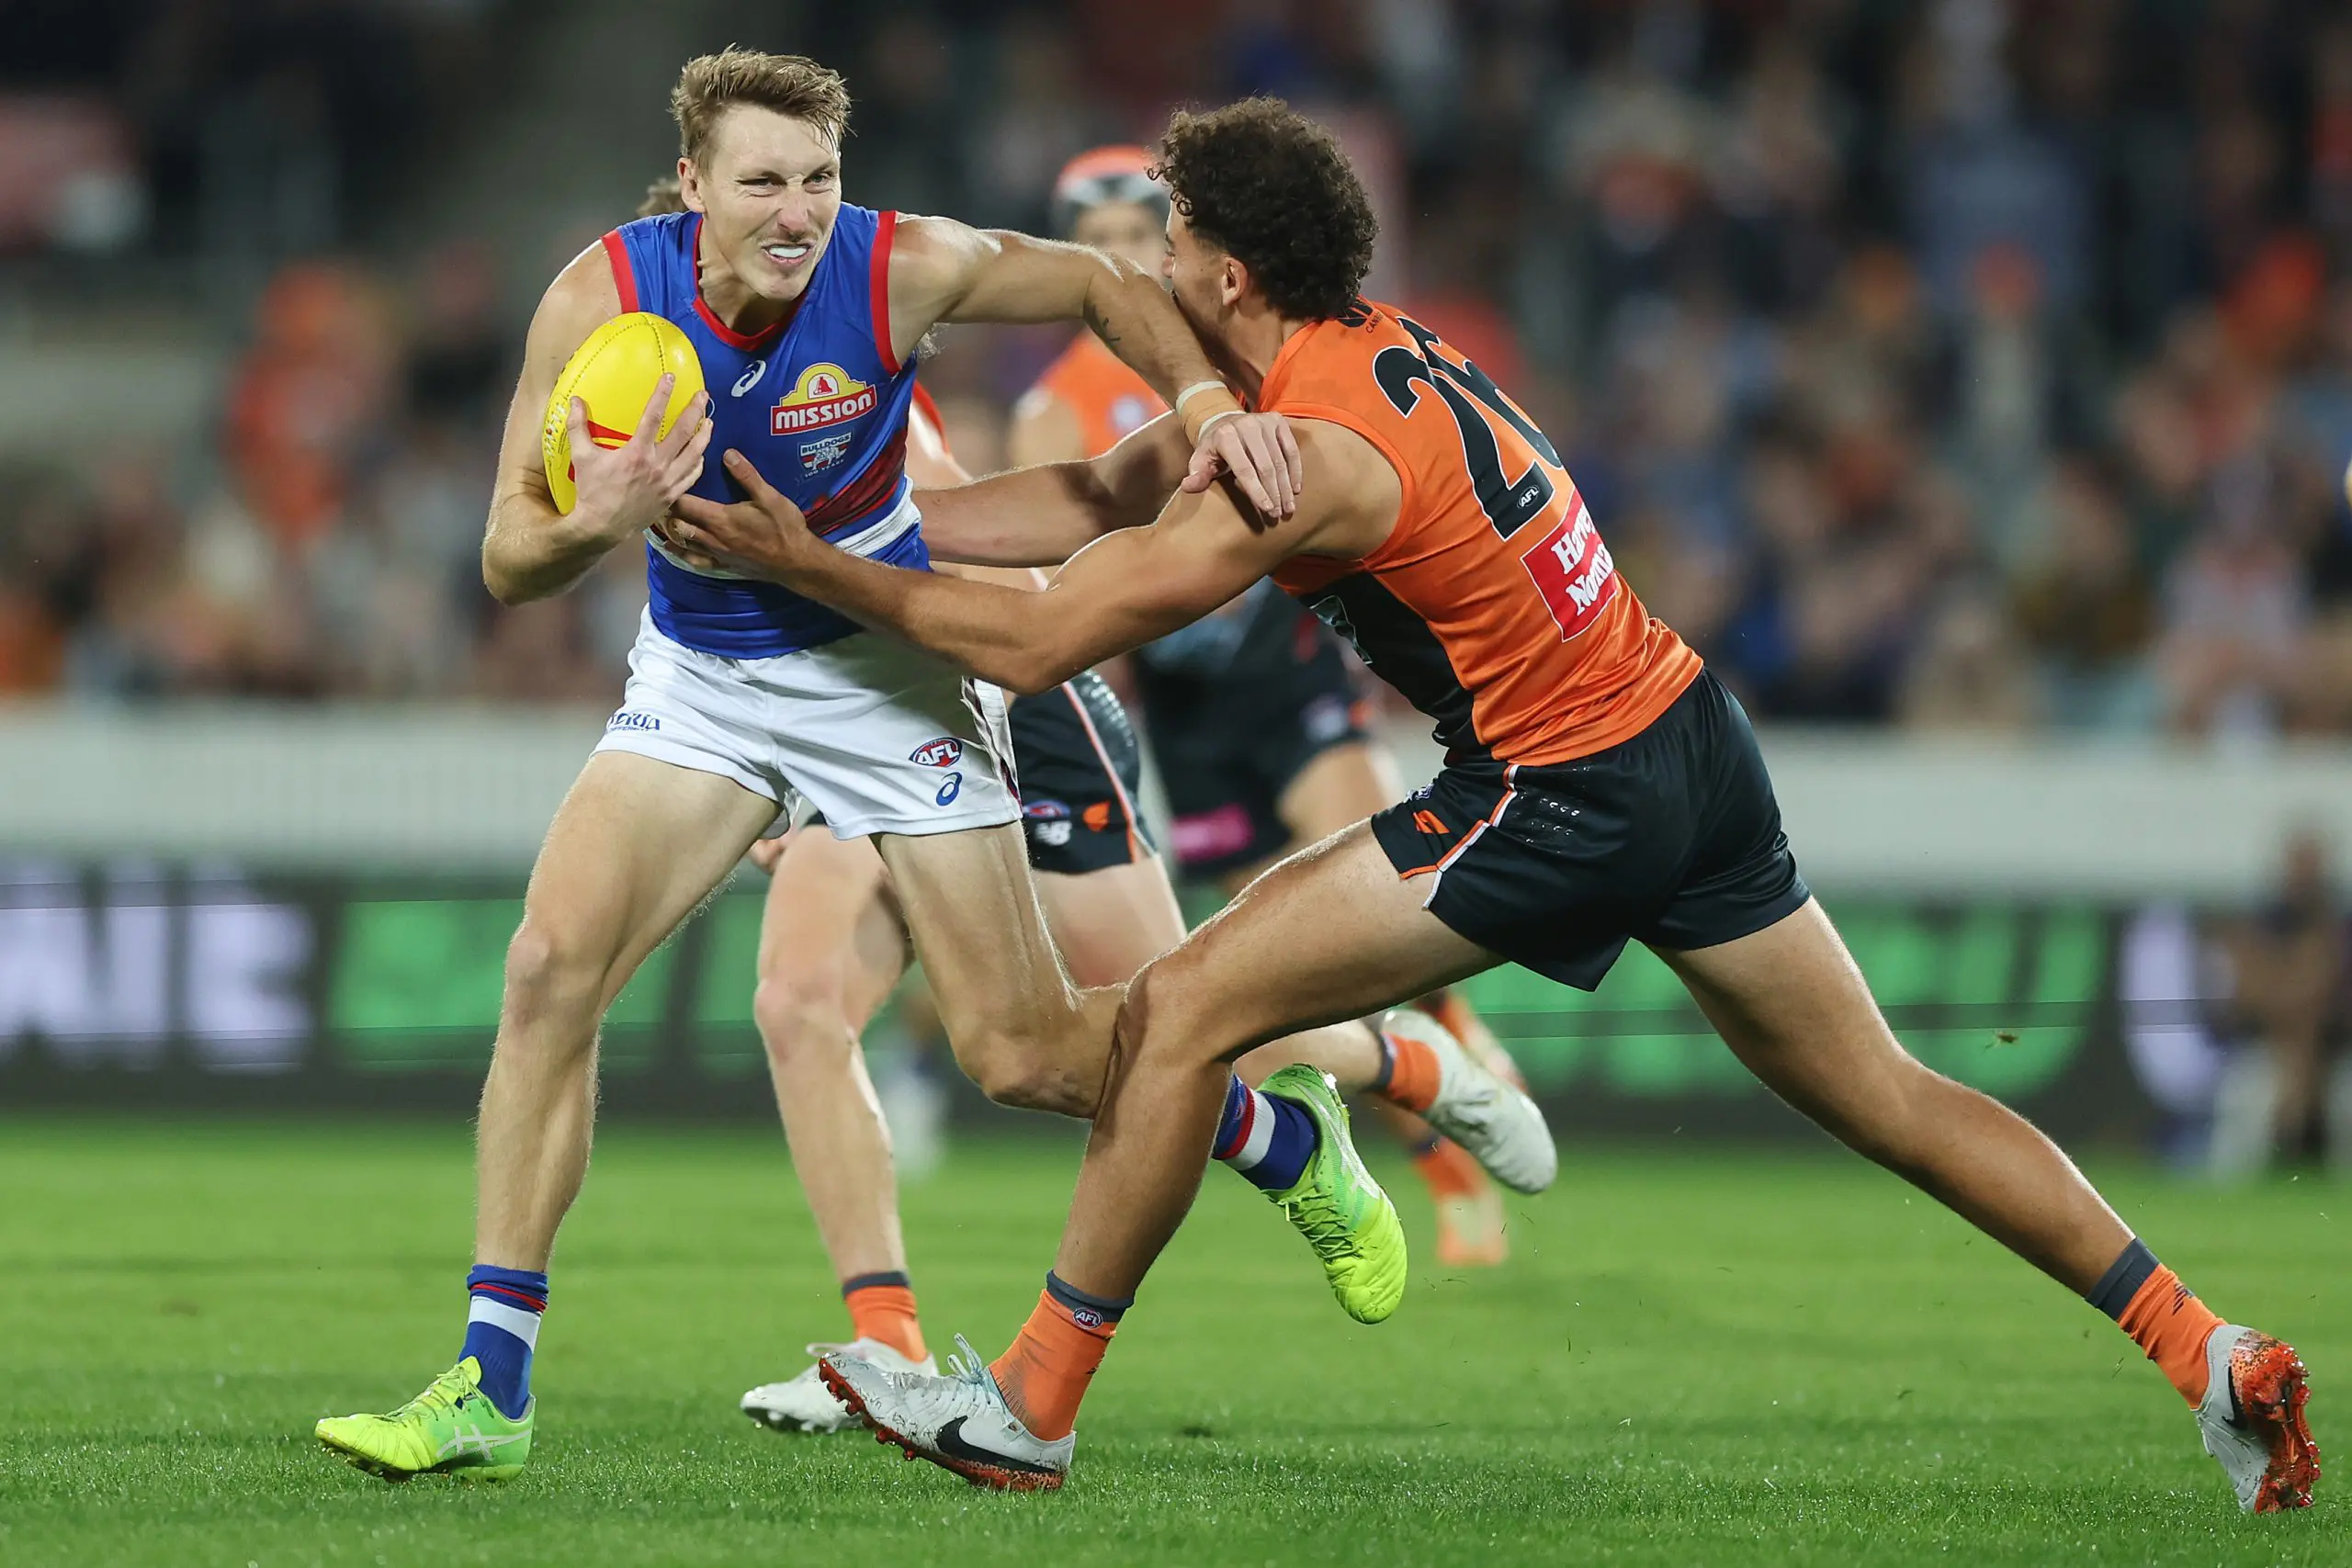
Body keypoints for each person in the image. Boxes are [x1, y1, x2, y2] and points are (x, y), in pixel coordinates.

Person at [667, 97, 2320, 1510]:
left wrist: (811, 569)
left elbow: (1041, 634)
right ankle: (2204, 1346)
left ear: (1224, 273)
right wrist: (877, 524)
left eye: (1171, 241)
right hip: (1684, 734)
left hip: (1558, 787)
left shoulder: (1301, 450)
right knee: (1884, 1088)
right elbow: (1095, 500)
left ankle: (1028, 1410)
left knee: (1174, 1015)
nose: (1153, 267)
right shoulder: (1376, 356)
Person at [313, 53, 1542, 1483]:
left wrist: (1211, 415)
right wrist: (607, 517)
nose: (796, 211)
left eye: (818, 178)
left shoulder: (895, 269)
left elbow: (1099, 284)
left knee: (1022, 1050)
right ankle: (492, 1385)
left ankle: (1276, 1127)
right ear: (694, 185)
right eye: (763, 181)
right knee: (549, 969)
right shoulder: (601, 299)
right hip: (705, 682)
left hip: (893, 675)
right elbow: (506, 556)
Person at [611, 173, 1545, 1437]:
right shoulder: (682, 380)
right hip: (861, 714)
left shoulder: (847, 348)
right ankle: (880, 1338)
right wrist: (783, 754)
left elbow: (953, 548)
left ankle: (1385, 1064)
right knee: (800, 998)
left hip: (1001, 707)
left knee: (1148, 1021)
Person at [1014, 147, 1522, 1269]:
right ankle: (1420, 1077)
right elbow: (1069, 580)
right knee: (1283, 961)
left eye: (1135, 234)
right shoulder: (1052, 407)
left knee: (1389, 902)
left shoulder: (1230, 359)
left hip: (1281, 668)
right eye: (1087, 238)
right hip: (1188, 712)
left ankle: (1455, 1137)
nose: (1115, 256)